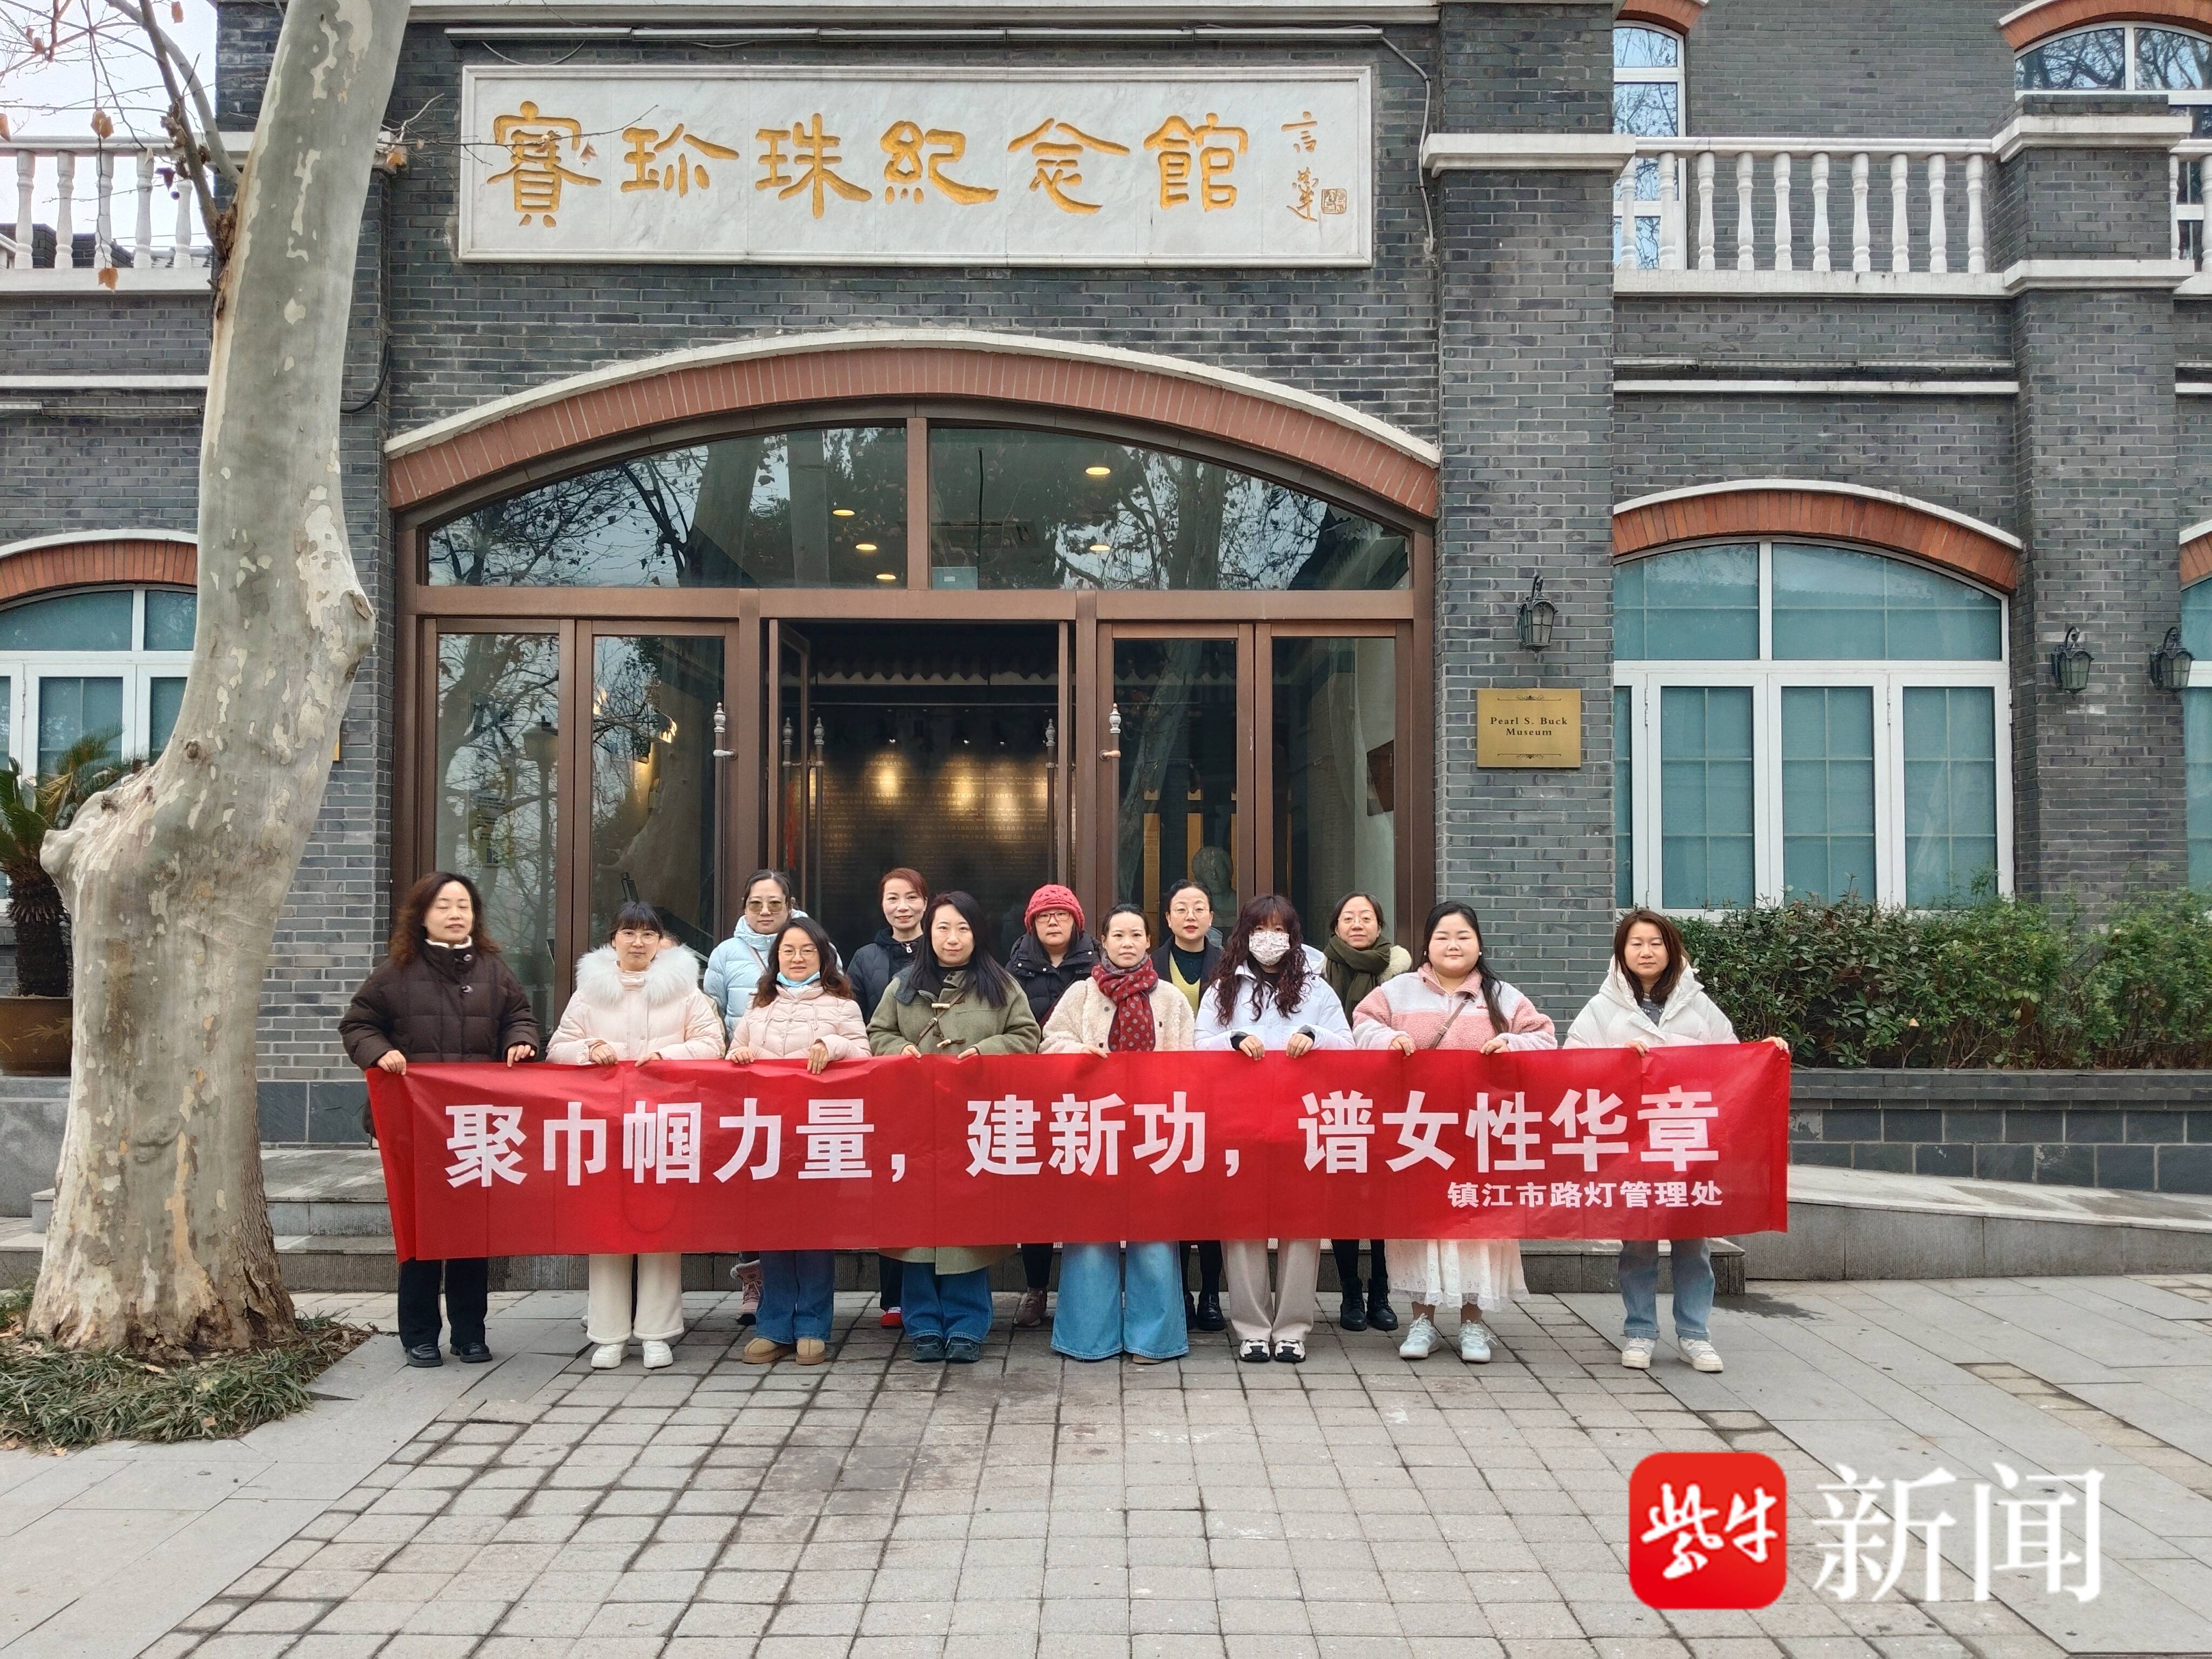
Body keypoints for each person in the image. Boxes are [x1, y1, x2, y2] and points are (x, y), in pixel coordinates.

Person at [1564, 907, 1790, 1376]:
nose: (1646, 952)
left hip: (1687, 1142)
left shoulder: (1698, 1005)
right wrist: (1615, 1059)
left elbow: (1731, 1061)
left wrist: (1765, 1053)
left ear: (1672, 950)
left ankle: (1694, 1334)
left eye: (1656, 943)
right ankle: (1640, 1332)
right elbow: (1572, 1064)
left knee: (1693, 1243)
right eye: (1636, 944)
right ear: (1621, 952)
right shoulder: (1603, 1008)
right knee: (1638, 1244)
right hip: (1631, 1146)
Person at [340, 872, 539, 1369]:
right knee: (421, 1233)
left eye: (464, 906)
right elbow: (358, 1024)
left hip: (476, 1128)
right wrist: (379, 1052)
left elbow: (520, 1016)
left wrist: (521, 1041)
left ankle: (470, 1334)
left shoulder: (494, 970)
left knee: (472, 1235)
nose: (455, 914)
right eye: (444, 906)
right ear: (422, 915)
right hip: (416, 1125)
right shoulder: (396, 972)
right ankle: (419, 1334)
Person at [1353, 902, 1555, 1363]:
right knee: (1419, 1227)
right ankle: (1421, 1321)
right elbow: (1361, 1025)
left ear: (1479, 944)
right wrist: (1388, 1040)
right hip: (1417, 1133)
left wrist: (1512, 1043)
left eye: (1464, 936)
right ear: (1427, 945)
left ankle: (1473, 1323)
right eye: (1443, 936)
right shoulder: (1397, 991)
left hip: (1479, 1134)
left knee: (1476, 1227)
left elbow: (1545, 1037)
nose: (1453, 945)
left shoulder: (1502, 996)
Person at [547, 902, 725, 1371]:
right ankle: (607, 1334)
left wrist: (668, 1056)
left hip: (664, 1125)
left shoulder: (684, 989)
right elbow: (558, 1048)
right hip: (604, 1127)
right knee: (606, 1229)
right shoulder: (591, 991)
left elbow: (713, 1044)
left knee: (660, 1228)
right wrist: (590, 1048)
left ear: (660, 942)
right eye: (629, 933)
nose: (638, 942)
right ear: (614, 940)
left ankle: (656, 1333)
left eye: (648, 934)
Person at [868, 890, 1041, 1364]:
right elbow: (877, 1032)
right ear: (929, 932)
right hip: (916, 1124)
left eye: (963, 928)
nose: (952, 938)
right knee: (918, 1228)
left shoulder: (1001, 985)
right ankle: (923, 1322)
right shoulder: (903, 985)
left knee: (969, 1227)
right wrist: (898, 1051)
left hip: (976, 1124)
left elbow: (1027, 1035)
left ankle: (968, 1323)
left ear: (977, 933)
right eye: (943, 927)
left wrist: (987, 1052)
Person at [1195, 894, 1349, 1364]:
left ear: (1293, 936)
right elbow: (1197, 1049)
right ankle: (1252, 1329)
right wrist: (1232, 1040)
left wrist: (1316, 1037)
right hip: (1240, 1125)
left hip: (1302, 1126)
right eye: (1261, 929)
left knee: (1301, 1228)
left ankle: (1293, 1329)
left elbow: (1348, 1046)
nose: (1270, 939)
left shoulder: (1317, 990)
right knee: (1243, 1226)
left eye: (1280, 930)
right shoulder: (1222, 988)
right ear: (1244, 934)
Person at [1042, 904, 1195, 1365]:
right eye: (1118, 936)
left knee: (1154, 1231)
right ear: (1103, 942)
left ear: (1148, 941)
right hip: (1094, 1124)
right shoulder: (1081, 994)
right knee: (1091, 1232)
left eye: (1136, 935)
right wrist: (1076, 1052)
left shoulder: (1171, 998)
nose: (1127, 943)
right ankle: (1088, 1338)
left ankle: (1154, 1340)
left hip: (1154, 1127)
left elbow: (1189, 1061)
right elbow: (1049, 1042)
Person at [727, 916, 868, 1367]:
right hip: (767, 1133)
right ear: (777, 957)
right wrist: (740, 1055)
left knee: (813, 1233)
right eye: (788, 950)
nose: (798, 957)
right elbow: (732, 1055)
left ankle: (812, 1325)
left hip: (819, 1133)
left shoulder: (842, 1004)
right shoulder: (758, 1005)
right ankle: (774, 1326)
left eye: (807, 950)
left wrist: (832, 1044)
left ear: (823, 956)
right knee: (773, 1232)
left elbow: (863, 1053)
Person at [703, 869, 807, 1326]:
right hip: (743, 1083)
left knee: (795, 1182)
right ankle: (754, 1279)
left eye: (775, 904)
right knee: (750, 1180)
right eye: (755, 904)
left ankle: (797, 1286)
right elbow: (710, 1011)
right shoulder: (726, 953)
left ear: (790, 905)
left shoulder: (814, 945)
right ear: (744, 906)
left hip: (801, 1085)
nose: (765, 912)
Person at [1006, 882, 1101, 1327]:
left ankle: (1084, 1289)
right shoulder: (1013, 970)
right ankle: (1036, 1287)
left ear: (1077, 922)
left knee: (1086, 1190)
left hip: (1090, 1095)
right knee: (1035, 1196)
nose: (1053, 922)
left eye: (1062, 915)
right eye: (1044, 916)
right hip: (1033, 1094)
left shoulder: (1098, 967)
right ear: (1032, 924)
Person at [844, 866, 930, 1331]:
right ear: (882, 905)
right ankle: (894, 1298)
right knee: (893, 1189)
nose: (903, 907)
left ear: (925, 902)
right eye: (893, 898)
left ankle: (932, 1292)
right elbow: (856, 1021)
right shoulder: (865, 958)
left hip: (938, 1092)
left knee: (933, 1188)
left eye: (912, 897)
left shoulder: (944, 947)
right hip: (888, 1092)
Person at [1319, 891, 1410, 1336]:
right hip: (1334, 1097)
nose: (1358, 925)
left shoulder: (1402, 973)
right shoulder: (1318, 972)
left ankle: (1381, 1291)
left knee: (1384, 1199)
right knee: (1343, 1196)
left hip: (1389, 1097)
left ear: (1380, 924)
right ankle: (1350, 1292)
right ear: (1335, 926)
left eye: (1367, 918)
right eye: (1349, 918)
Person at [1154, 878, 1226, 1333]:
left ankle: (1211, 1293)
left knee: (1212, 1199)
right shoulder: (1150, 965)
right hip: (1166, 1095)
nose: (1191, 916)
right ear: (1168, 918)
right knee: (1176, 1195)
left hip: (1218, 1094)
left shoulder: (1231, 965)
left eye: (1199, 908)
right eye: (1181, 908)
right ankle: (1178, 1292)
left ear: (1211, 917)